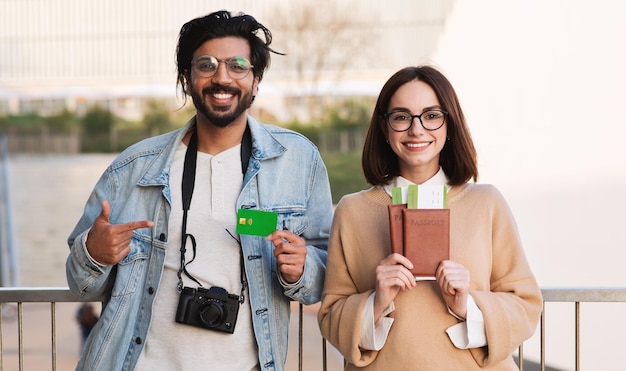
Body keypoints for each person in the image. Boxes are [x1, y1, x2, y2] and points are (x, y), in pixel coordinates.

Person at [66, 10, 333, 371]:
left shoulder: (298, 161)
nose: (221, 78)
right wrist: (94, 254)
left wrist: (300, 270)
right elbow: (81, 285)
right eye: (206, 65)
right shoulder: (132, 168)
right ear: (187, 78)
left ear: (255, 81)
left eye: (238, 66)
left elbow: (323, 264)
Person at [317, 65, 542, 370]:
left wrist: (468, 306)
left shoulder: (486, 203)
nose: (417, 129)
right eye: (401, 116)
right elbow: (331, 315)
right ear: (385, 127)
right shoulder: (353, 211)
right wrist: (376, 301)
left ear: (449, 124)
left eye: (432, 115)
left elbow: (526, 305)